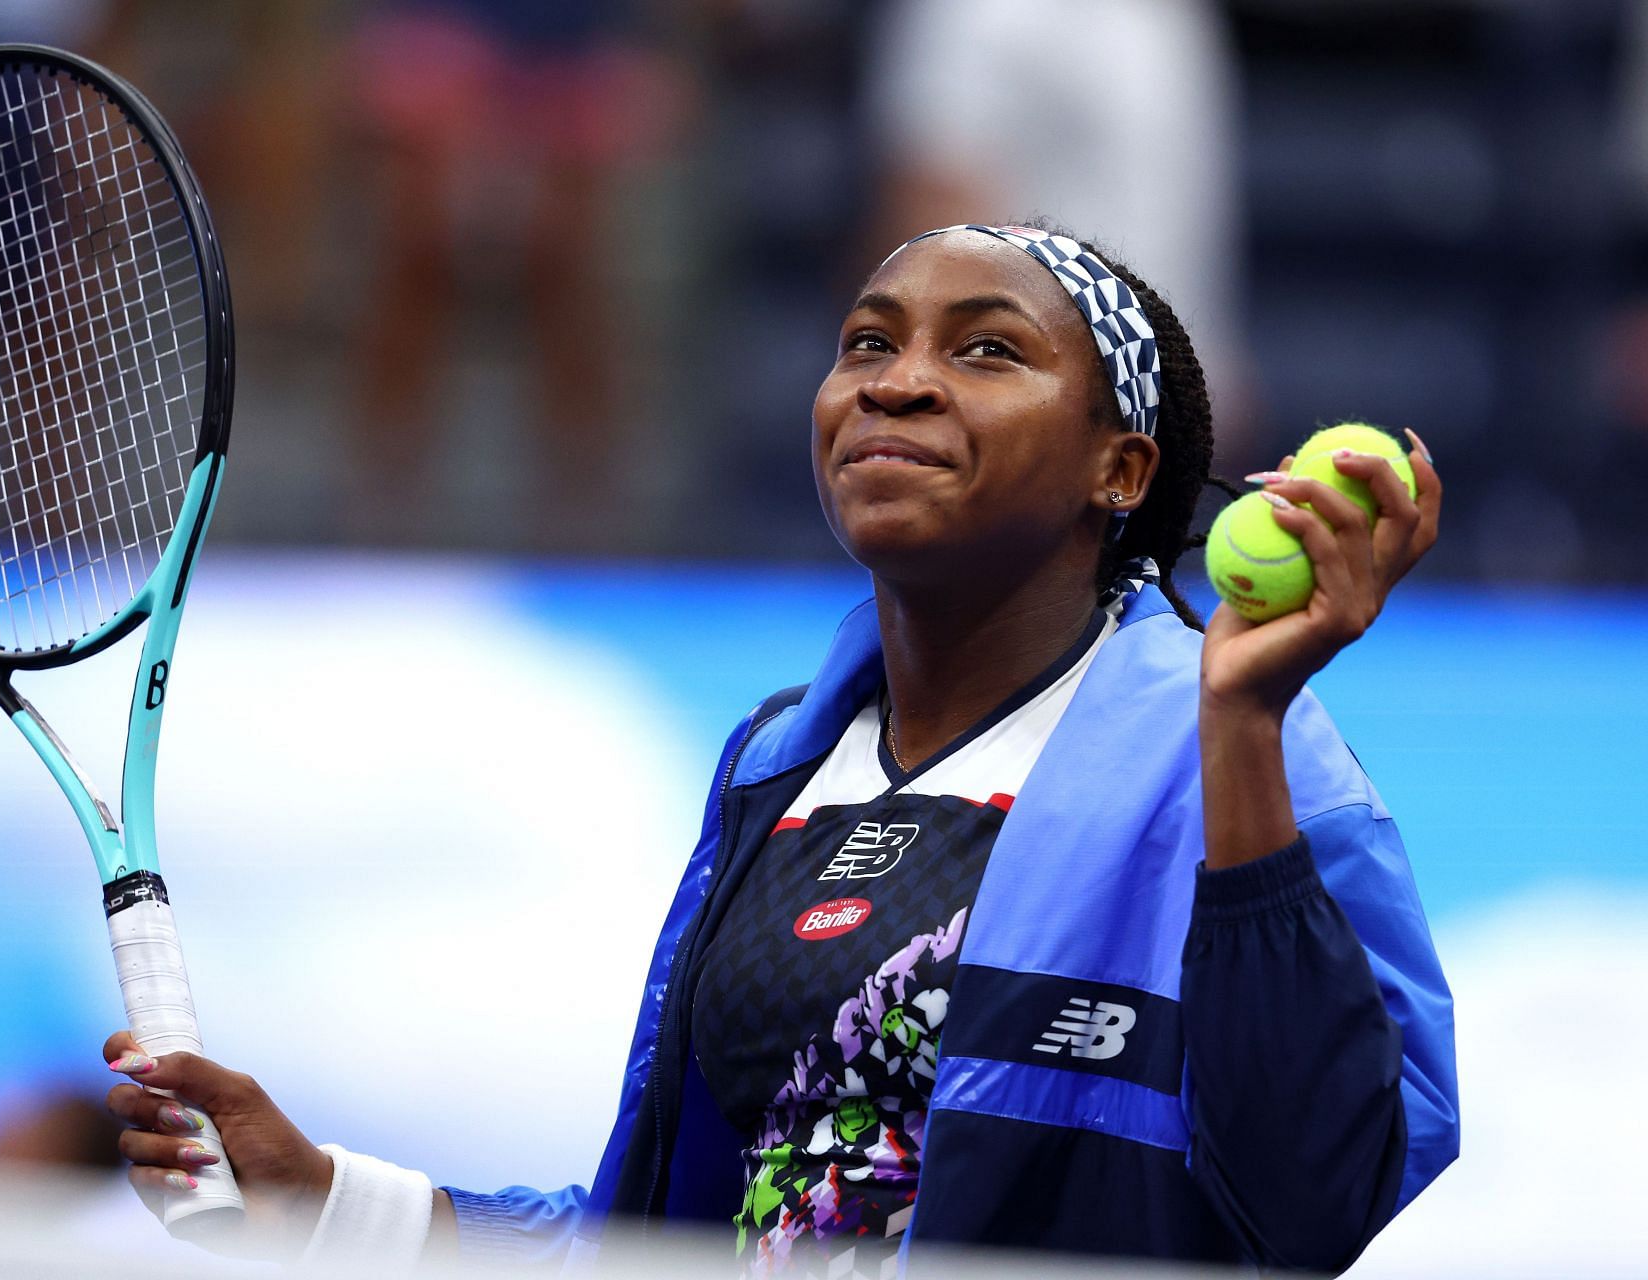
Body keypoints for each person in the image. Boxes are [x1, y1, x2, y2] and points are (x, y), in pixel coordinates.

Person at [101, 223, 1459, 1275]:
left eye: (986, 351)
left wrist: (1242, 729)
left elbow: (1316, 1204)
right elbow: (677, 1242)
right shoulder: (775, 773)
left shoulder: (1238, 763)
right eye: (868, 344)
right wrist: (329, 1200)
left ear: (1123, 469)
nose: (901, 385)